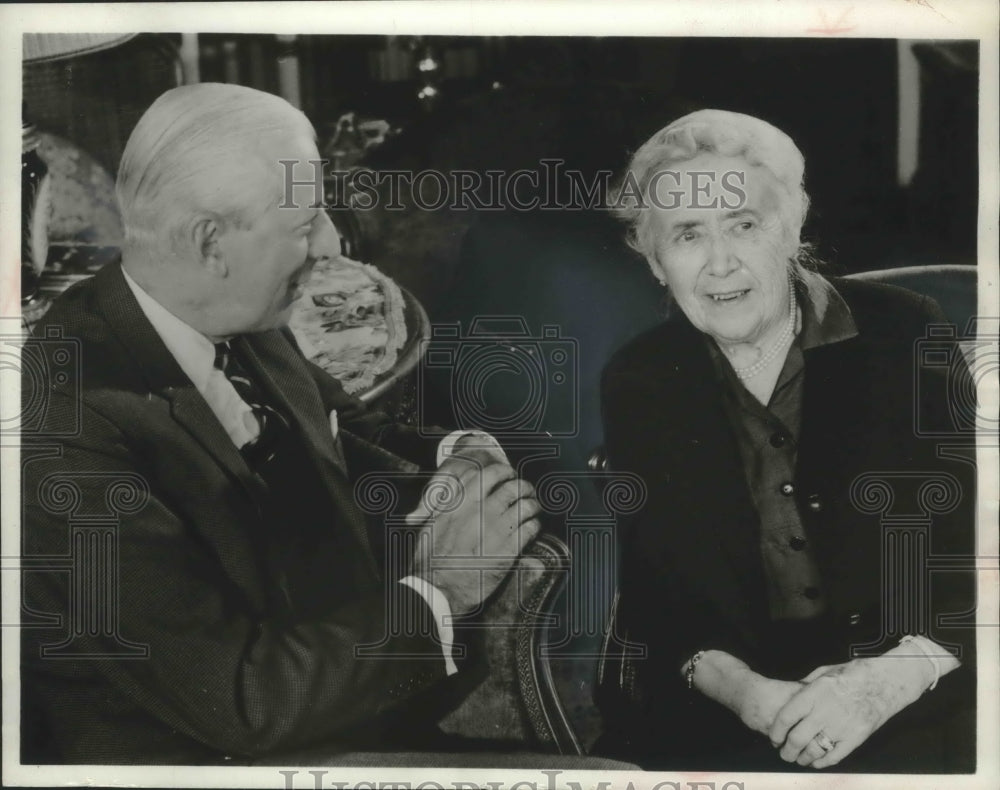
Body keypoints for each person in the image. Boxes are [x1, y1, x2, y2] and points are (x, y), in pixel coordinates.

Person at [20, 83, 541, 764]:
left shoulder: (236, 308)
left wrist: (460, 453)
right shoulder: (69, 431)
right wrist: (440, 590)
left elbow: (342, 429)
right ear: (212, 243)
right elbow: (242, 702)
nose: (327, 242)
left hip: (335, 702)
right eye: (303, 225)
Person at [595, 110, 977, 772]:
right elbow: (658, 600)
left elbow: (978, 557)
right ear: (656, 263)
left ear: (793, 229)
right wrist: (751, 697)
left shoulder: (905, 336)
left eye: (744, 224)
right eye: (688, 235)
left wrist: (883, 685)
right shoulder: (641, 379)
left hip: (915, 693)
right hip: (728, 709)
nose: (720, 263)